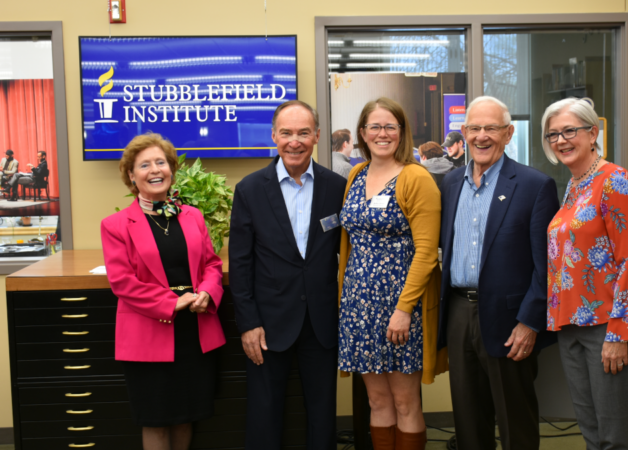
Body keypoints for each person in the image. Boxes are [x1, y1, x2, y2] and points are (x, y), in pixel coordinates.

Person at [438, 96, 560, 450]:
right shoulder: (449, 184)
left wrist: (530, 322)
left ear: (508, 133)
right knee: (468, 420)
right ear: (463, 133)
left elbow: (547, 266)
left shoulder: (534, 186)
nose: (482, 136)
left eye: (491, 128)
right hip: (459, 313)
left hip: (511, 321)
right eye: (474, 128)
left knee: (514, 419)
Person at [542, 97, 628, 450]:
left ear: (593, 133)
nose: (561, 140)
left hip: (609, 327)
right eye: (553, 135)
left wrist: (619, 334)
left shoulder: (615, 181)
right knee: (591, 429)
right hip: (572, 325)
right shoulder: (576, 184)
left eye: (569, 131)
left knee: (615, 436)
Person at [229, 100, 347, 450]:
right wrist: (248, 323)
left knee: (322, 414)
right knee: (264, 414)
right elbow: (241, 262)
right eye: (286, 133)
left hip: (322, 321)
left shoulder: (335, 187)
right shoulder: (250, 189)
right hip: (267, 322)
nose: (294, 141)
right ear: (274, 136)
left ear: (317, 136)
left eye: (303, 133)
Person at [100, 133, 225, 450]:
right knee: (155, 421)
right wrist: (174, 302)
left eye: (161, 162)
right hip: (148, 334)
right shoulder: (116, 224)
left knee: (186, 417)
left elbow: (211, 264)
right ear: (131, 175)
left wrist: (208, 293)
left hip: (196, 332)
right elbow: (122, 281)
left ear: (171, 169)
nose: (155, 170)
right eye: (144, 165)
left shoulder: (192, 216)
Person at [338, 97, 447, 450]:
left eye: (390, 127)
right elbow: (349, 242)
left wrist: (404, 310)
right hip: (359, 306)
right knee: (377, 402)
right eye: (375, 126)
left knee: (404, 402)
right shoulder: (355, 174)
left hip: (402, 308)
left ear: (402, 133)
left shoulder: (416, 178)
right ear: (362, 133)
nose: (382, 133)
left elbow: (427, 253)